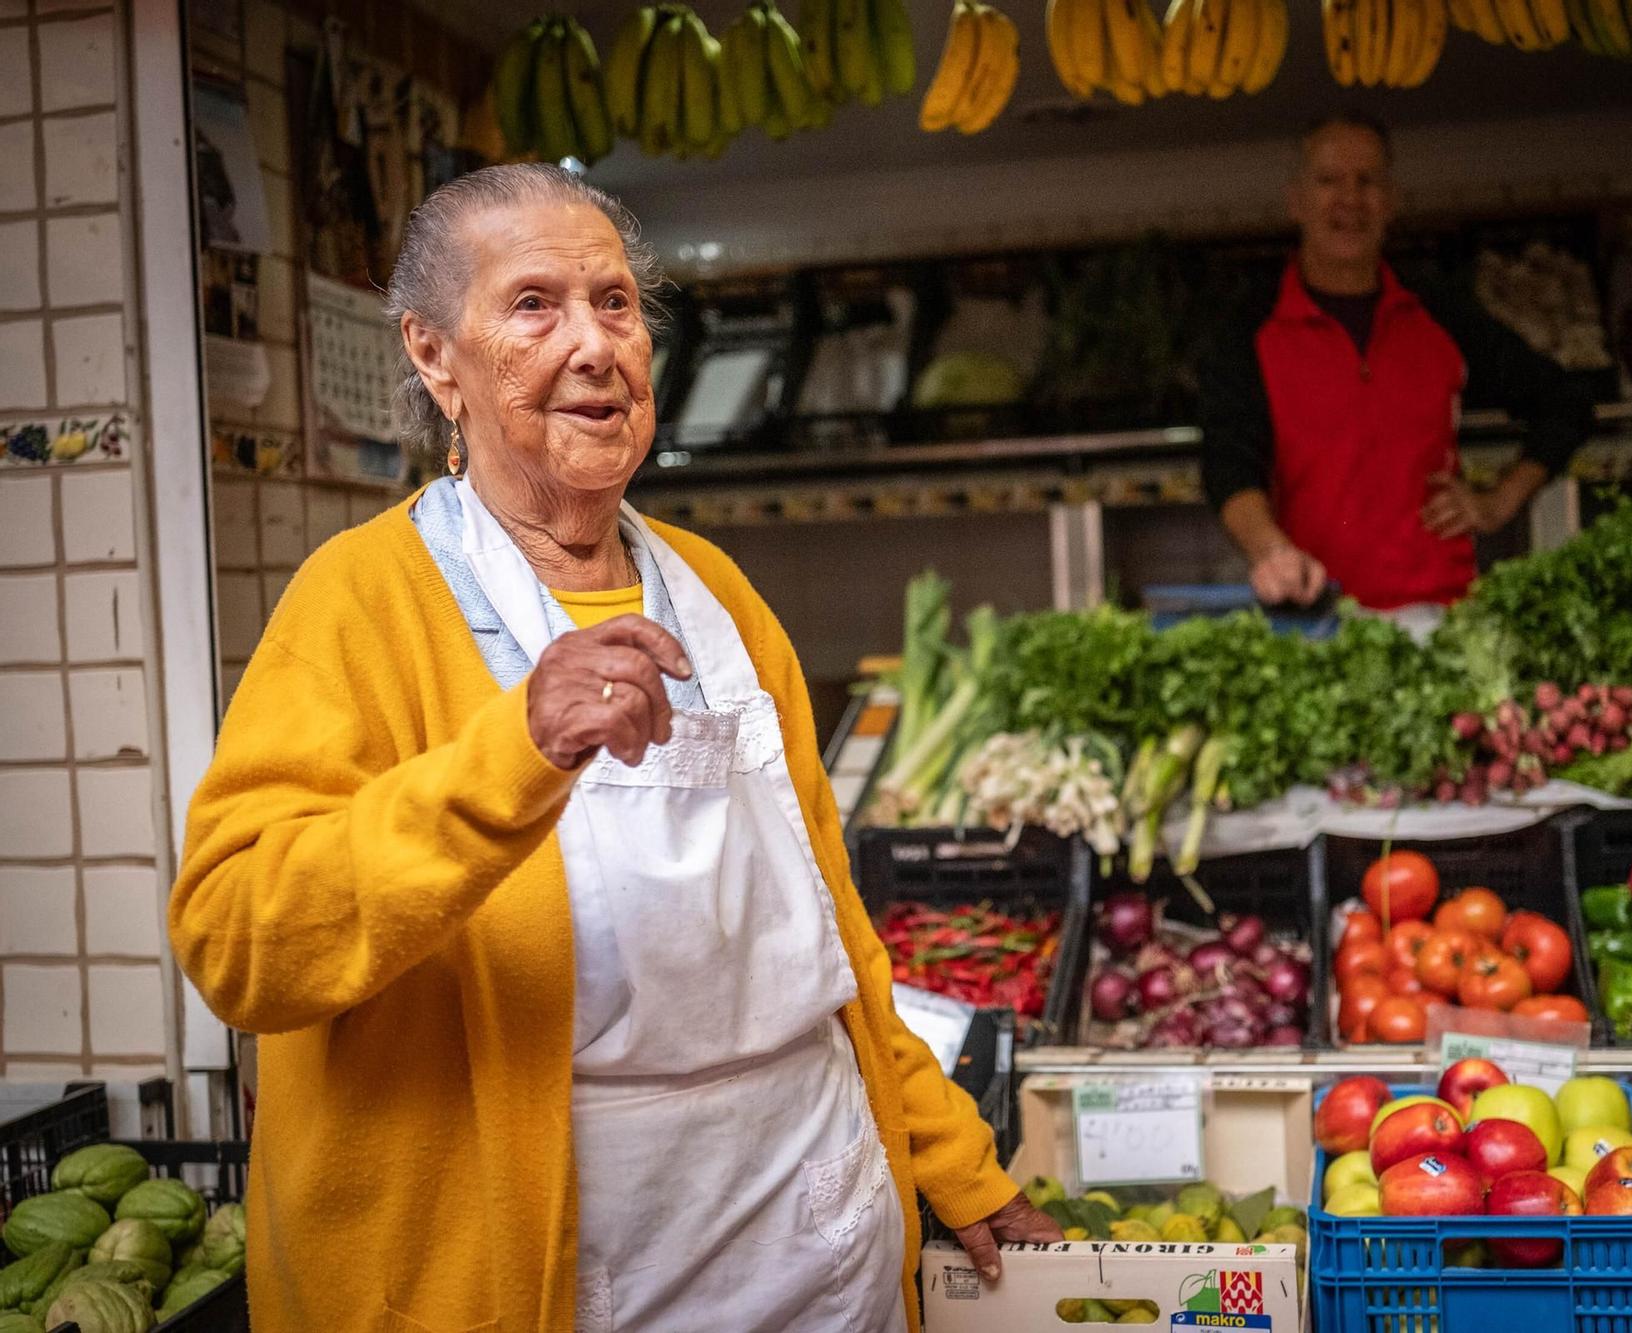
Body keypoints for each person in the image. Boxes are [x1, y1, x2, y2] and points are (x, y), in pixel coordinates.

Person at [170, 163, 1056, 1332]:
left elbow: (830, 928)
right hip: (546, 1274)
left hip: (806, 1236)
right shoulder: (359, 602)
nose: (594, 344)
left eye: (617, 303)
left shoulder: (717, 594)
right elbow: (238, 939)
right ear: (436, 359)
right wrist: (514, 753)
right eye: (535, 304)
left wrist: (950, 1153)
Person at [1200, 110, 1594, 613]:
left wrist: (1498, 501)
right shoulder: (1250, 329)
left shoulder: (1438, 313)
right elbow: (1229, 466)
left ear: (1391, 202)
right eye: (1328, 181)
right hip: (1313, 616)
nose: (1350, 200)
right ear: (1296, 202)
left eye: (1368, 181)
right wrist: (1271, 551)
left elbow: (1567, 403)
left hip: (1437, 614)